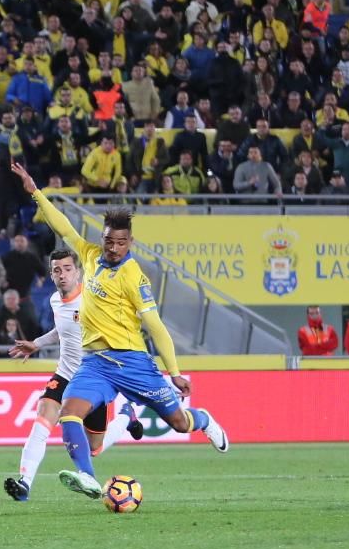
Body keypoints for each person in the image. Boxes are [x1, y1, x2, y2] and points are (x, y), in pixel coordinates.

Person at [12, 160, 228, 498]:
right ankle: (87, 477)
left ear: (130, 242)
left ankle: (204, 421)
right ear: (103, 237)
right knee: (69, 413)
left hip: (133, 363)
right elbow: (65, 228)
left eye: (120, 243)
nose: (113, 248)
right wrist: (36, 193)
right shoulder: (90, 256)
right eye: (109, 241)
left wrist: (174, 372)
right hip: (95, 363)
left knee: (179, 423)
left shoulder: (133, 277)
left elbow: (156, 327)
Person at [3, 249, 146, 502]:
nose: (62, 275)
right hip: (65, 375)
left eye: (68, 269)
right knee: (42, 419)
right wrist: (37, 343)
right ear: (51, 275)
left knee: (94, 448)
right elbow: (62, 329)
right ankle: (24, 483)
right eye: (57, 270)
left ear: (78, 272)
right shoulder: (54, 301)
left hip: (93, 380)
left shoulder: (94, 299)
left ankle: (126, 416)